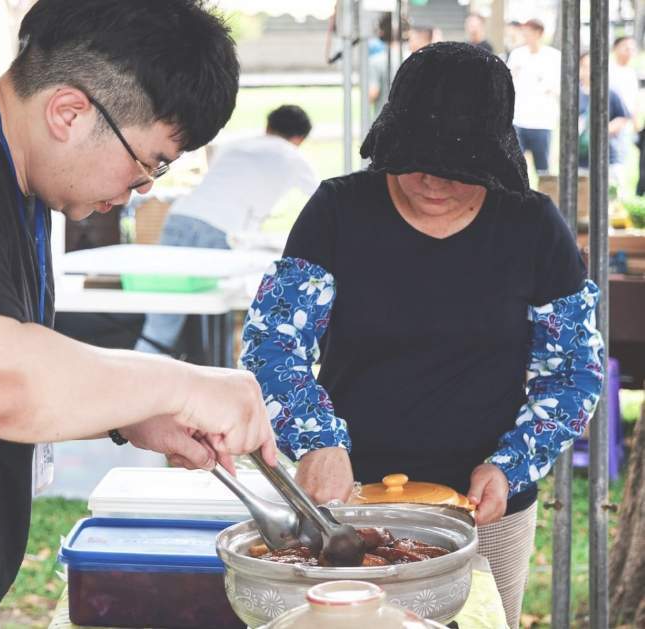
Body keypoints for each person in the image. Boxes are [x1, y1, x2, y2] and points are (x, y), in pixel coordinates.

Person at [0, 1, 278, 627]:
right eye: (148, 163)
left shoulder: (14, 172)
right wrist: (185, 385)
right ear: (70, 112)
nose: (146, 188)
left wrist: (135, 412)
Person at [241, 42, 604, 628]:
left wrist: (512, 464)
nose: (433, 181)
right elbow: (274, 343)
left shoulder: (533, 226)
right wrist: (316, 439)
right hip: (344, 502)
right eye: (415, 160)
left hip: (485, 507)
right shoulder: (338, 210)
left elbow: (574, 372)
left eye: (459, 169)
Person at [135, 104, 318, 356]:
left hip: (180, 217)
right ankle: (214, 379)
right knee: (216, 316)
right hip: (219, 229)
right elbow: (321, 199)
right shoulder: (294, 156)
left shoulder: (235, 146)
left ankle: (142, 373)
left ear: (268, 127)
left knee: (162, 321)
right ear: (299, 139)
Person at [506, 18, 560, 176]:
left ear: (539, 33)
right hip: (518, 119)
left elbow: (558, 86)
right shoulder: (517, 55)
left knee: (542, 167)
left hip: (542, 121)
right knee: (515, 165)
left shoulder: (553, 57)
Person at [579, 51, 630, 188]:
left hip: (608, 157)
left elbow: (623, 117)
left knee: (610, 200)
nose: (588, 70)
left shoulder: (610, 92)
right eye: (584, 66)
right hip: (581, 159)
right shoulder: (574, 93)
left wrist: (603, 130)